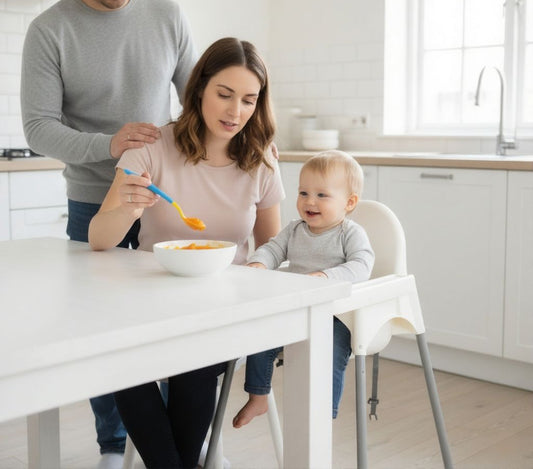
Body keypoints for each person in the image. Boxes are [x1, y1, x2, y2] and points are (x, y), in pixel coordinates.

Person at [20, 0, 197, 465]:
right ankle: (112, 446)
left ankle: (177, 445)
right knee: (105, 338)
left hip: (164, 199)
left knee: (176, 330)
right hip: (93, 203)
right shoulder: (49, 30)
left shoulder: (167, 15)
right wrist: (109, 144)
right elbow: (38, 129)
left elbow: (201, 103)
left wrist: (253, 135)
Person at [88, 37, 284, 468]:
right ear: (198, 90)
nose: (236, 112)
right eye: (224, 95)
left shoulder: (261, 159)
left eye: (249, 100)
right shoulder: (152, 146)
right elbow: (100, 238)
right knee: (119, 360)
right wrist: (129, 206)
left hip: (222, 310)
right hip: (151, 302)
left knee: (194, 364)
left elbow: (273, 249)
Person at [233, 149, 375, 428]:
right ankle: (258, 396)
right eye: (303, 193)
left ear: (349, 202)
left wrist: (324, 277)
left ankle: (325, 411)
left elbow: (362, 265)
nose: (310, 201)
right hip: (296, 307)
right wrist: (259, 264)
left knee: (331, 351)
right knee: (259, 336)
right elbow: (273, 249)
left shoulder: (350, 233)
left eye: (322, 195)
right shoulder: (295, 229)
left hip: (335, 314)